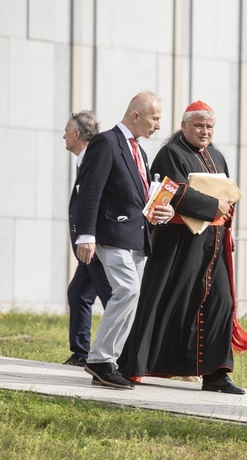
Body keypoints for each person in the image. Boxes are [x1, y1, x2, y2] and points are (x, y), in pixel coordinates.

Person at [117, 100, 247, 394]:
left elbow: (227, 195)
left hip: (215, 244)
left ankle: (216, 374)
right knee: (165, 301)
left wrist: (225, 217)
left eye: (209, 126)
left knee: (220, 304)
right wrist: (213, 205)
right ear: (184, 126)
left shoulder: (217, 156)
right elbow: (173, 189)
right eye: (198, 125)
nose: (204, 131)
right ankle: (134, 365)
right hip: (180, 244)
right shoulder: (172, 153)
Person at [76, 91, 174, 390]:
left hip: (138, 236)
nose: (158, 125)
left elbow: (139, 196)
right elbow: (90, 190)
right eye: (155, 118)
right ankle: (100, 359)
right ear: (136, 115)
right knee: (127, 291)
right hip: (111, 235)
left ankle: (109, 362)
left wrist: (161, 212)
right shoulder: (106, 142)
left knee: (130, 297)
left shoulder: (140, 151)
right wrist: (86, 234)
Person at [63, 110, 112, 367]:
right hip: (88, 245)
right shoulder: (83, 158)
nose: (63, 136)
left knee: (112, 299)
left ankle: (119, 356)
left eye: (66, 131)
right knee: (79, 293)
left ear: (76, 133)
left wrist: (88, 236)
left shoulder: (94, 157)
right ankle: (81, 353)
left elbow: (95, 199)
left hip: (96, 244)